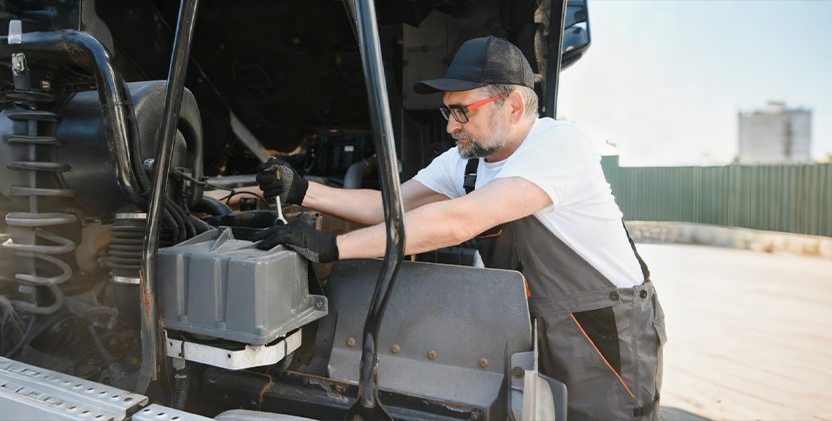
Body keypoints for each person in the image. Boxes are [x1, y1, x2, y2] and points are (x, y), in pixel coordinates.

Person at [252, 35, 665, 420]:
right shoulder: (465, 161)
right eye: (447, 111)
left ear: (514, 107)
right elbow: (389, 206)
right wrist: (303, 190)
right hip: (532, 323)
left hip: (603, 327)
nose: (451, 126)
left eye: (461, 111)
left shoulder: (558, 146)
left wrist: (334, 247)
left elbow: (458, 221)